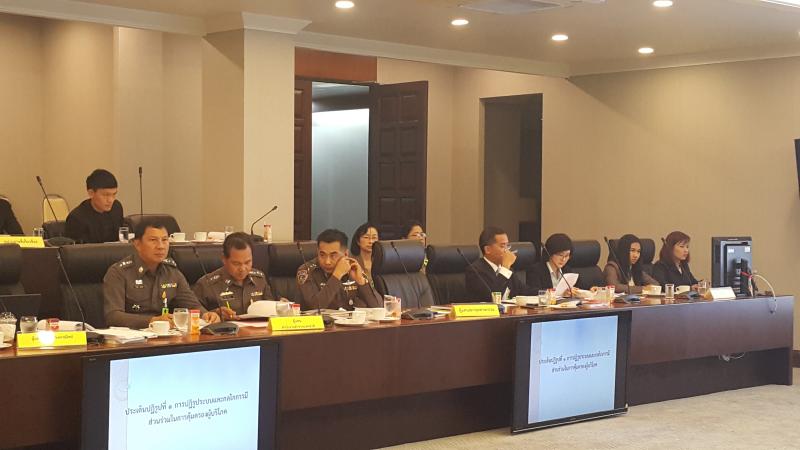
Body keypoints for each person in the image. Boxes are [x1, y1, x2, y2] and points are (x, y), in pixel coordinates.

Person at [103, 219, 219, 328]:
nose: (160, 246)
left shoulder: (172, 272)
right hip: (133, 338)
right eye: (153, 240)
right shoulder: (119, 273)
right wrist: (152, 321)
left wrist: (205, 314)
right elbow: (113, 316)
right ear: (137, 244)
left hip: (167, 335)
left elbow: (192, 305)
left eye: (164, 240)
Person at [193, 232, 274, 320]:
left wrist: (281, 306)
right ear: (224, 259)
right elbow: (193, 313)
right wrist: (215, 313)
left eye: (247, 262)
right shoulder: (207, 284)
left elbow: (271, 310)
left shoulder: (259, 279)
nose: (242, 269)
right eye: (236, 263)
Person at [297, 228, 382, 311]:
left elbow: (378, 307)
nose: (327, 261)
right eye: (322, 255)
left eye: (333, 256)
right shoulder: (306, 270)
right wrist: (337, 275)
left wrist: (361, 282)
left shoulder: (353, 268)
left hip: (350, 320)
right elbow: (315, 307)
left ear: (346, 254)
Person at [464, 226, 536, 302]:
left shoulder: (507, 269)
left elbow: (524, 290)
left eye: (507, 246)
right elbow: (492, 296)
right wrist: (505, 268)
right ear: (487, 249)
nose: (507, 251)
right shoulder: (475, 271)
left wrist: (543, 293)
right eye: (502, 246)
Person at [65, 169, 124, 243]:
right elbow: (77, 249)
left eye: (114, 194)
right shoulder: (76, 218)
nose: (110, 200)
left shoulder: (116, 208)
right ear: (91, 193)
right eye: (106, 195)